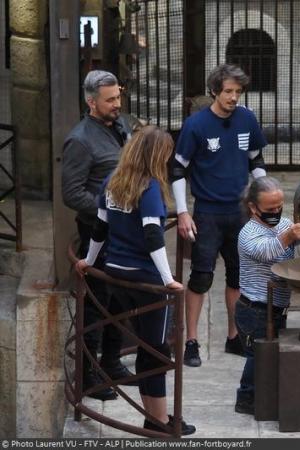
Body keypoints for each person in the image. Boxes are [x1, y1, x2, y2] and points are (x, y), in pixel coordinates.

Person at [75, 126, 196, 435]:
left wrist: (88, 262)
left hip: (115, 274)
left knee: (146, 347)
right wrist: (168, 280)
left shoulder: (111, 182)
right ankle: (161, 422)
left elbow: (99, 231)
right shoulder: (150, 187)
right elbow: (153, 237)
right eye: (166, 154)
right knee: (157, 352)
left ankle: (153, 417)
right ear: (157, 156)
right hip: (146, 281)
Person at [170, 64, 268, 367]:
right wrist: (184, 212)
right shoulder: (196, 125)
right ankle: (191, 341)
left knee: (238, 276)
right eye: (228, 91)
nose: (234, 97)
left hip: (239, 211)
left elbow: (256, 160)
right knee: (200, 277)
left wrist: (261, 198)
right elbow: (177, 169)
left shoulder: (247, 119)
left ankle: (234, 336)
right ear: (215, 91)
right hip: (207, 213)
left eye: (238, 92)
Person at [62, 70, 134, 400]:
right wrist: (107, 209)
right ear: (91, 102)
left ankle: (112, 362)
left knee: (121, 298)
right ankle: (88, 376)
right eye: (110, 100)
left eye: (118, 97)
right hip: (97, 232)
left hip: (123, 233)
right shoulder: (80, 140)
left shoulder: (120, 126)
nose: (117, 104)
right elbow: (71, 193)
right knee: (96, 302)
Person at [233, 176, 300, 415]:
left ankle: (266, 395)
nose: (276, 212)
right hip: (255, 308)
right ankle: (246, 399)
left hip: (277, 306)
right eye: (270, 209)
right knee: (258, 355)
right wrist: (290, 236)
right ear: (253, 207)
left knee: (271, 353)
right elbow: (267, 252)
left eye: (279, 206)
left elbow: (293, 241)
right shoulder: (248, 233)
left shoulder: (284, 224)